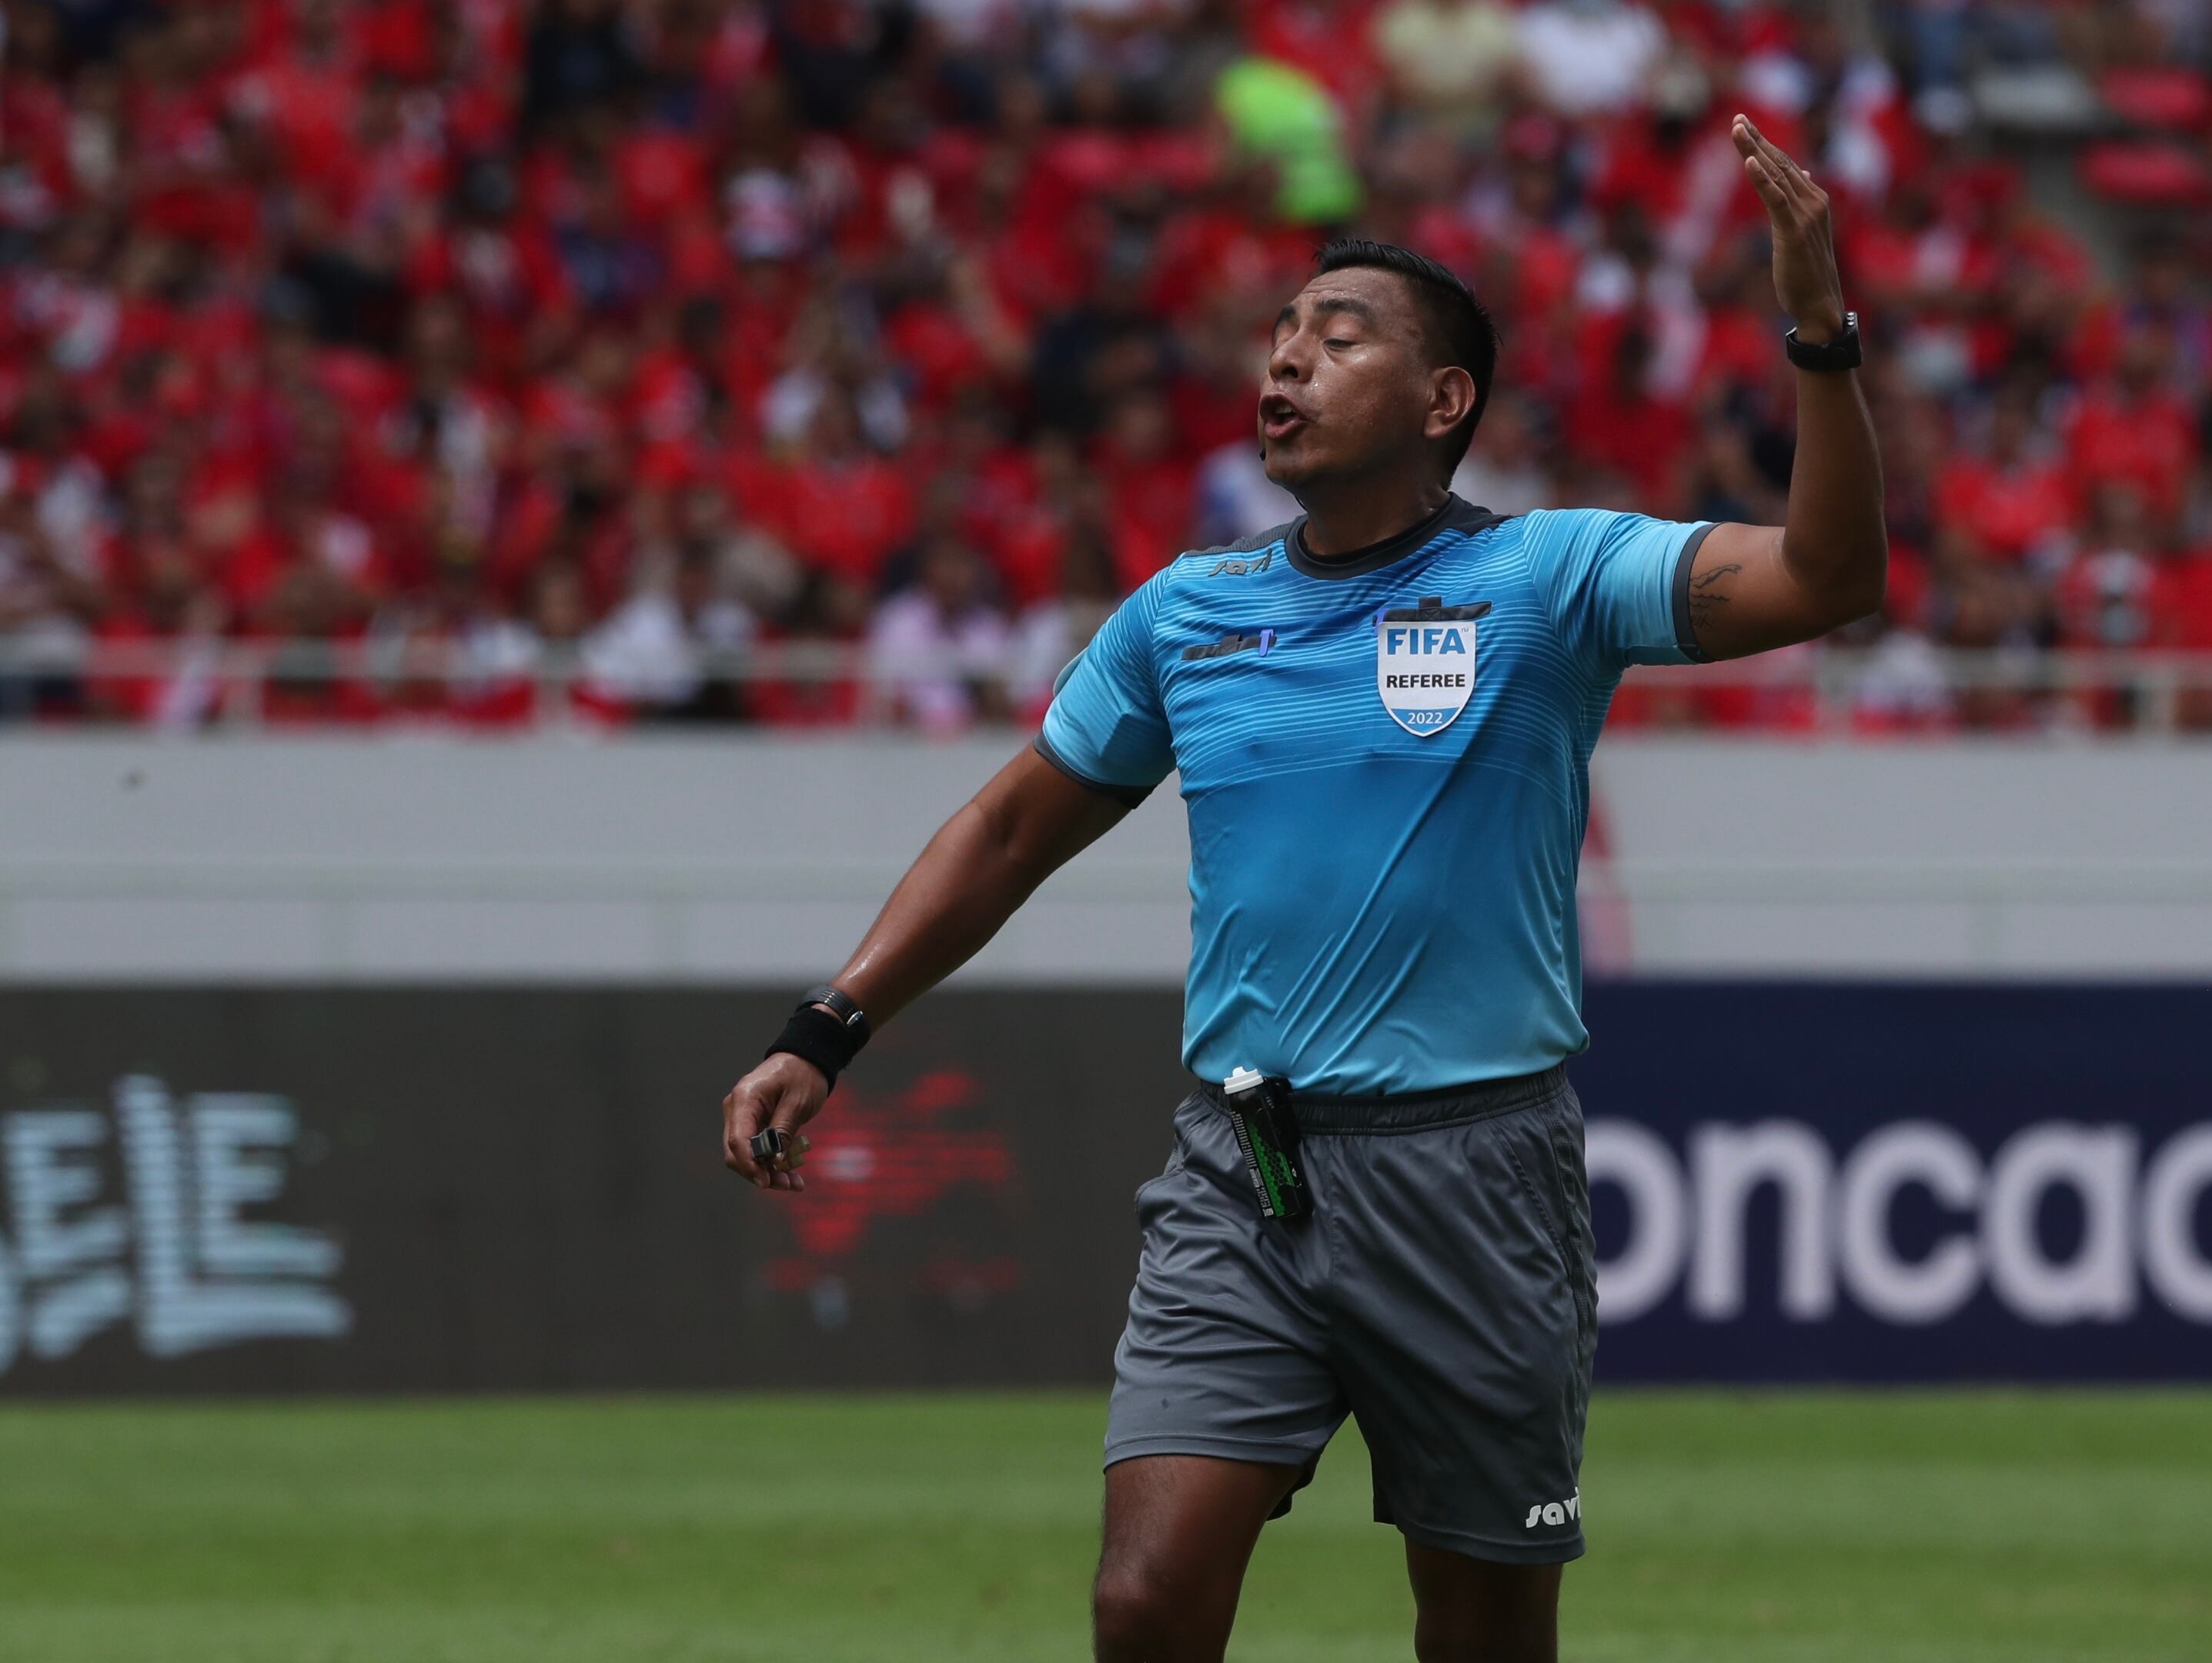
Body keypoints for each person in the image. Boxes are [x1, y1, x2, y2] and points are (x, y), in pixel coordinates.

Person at [717, 117, 1883, 1663]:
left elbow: (1829, 577)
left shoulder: (1548, 578)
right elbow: (1005, 832)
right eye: (1280, 336)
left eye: (1337, 339)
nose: (1284, 361)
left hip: (1475, 1180)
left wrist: (1817, 337)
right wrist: (828, 1024)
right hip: (1245, 1175)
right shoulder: (1187, 613)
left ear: (1442, 400)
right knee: (1144, 1600)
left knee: (1480, 1636)